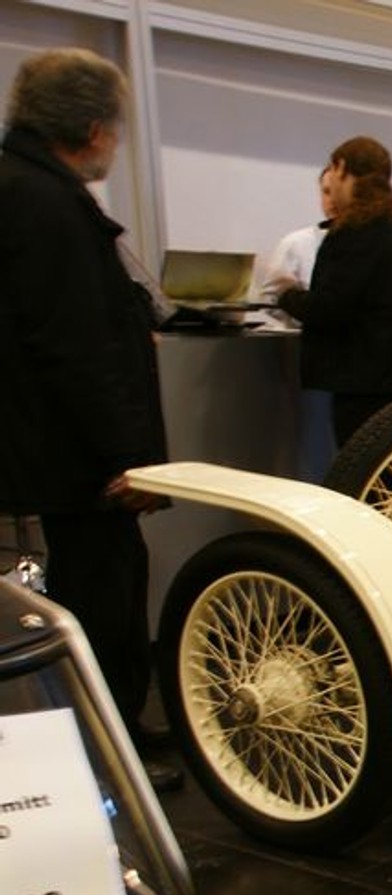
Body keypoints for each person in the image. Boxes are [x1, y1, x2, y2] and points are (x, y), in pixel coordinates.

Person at [0, 49, 180, 790]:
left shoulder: (20, 188)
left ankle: (109, 743)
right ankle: (111, 760)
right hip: (72, 460)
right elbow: (79, 351)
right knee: (101, 602)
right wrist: (130, 459)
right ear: (96, 127)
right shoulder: (49, 204)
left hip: (37, 450)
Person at [276, 137, 392, 446]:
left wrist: (286, 292)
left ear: (343, 169)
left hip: (362, 385)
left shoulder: (355, 233)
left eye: (333, 171)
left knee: (360, 477)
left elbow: (327, 308)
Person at [251, 165, 334, 329]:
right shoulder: (296, 243)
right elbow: (270, 297)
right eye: (326, 192)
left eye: (338, 192)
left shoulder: (371, 244)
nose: (332, 200)